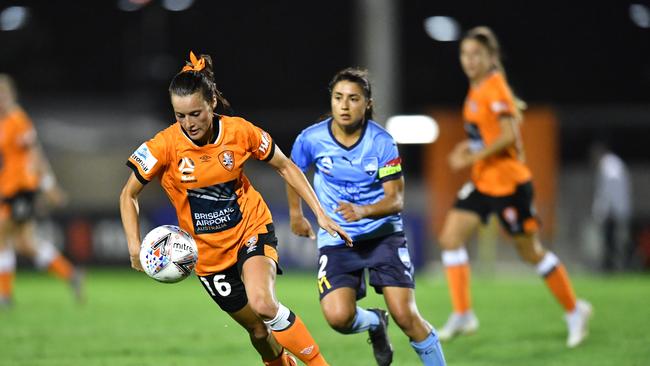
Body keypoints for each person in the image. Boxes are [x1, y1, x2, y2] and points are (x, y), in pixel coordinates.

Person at [120, 52, 351, 366]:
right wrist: (135, 247)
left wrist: (318, 214)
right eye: (180, 116)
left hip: (250, 230)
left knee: (264, 304)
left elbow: (285, 166)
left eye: (195, 113)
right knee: (258, 331)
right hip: (208, 257)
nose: (188, 124)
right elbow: (128, 194)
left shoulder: (240, 132)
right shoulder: (163, 146)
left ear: (212, 103)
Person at [436, 26, 592, 348]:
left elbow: (509, 137)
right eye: (465, 54)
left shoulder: (496, 90)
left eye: (476, 54)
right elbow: (488, 135)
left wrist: (473, 154)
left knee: (531, 253)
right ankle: (463, 313)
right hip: (483, 183)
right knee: (450, 238)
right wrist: (468, 149)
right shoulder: (476, 89)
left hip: (509, 186)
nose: (469, 60)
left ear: (491, 57)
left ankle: (575, 311)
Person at [287, 67, 446, 366]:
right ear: (331, 101)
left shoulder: (382, 142)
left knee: (406, 316)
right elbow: (292, 172)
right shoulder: (311, 139)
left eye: (353, 99)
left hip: (382, 237)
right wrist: (297, 214)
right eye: (338, 98)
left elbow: (396, 199)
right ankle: (374, 322)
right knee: (338, 318)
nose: (345, 106)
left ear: (367, 103)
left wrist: (363, 211)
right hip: (338, 239)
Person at [0, 74, 82, 308]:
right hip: (9, 187)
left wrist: (48, 185)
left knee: (2, 235)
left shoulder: (17, 120)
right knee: (24, 243)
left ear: (11, 95)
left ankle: (4, 296)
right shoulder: (3, 122)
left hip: (22, 187)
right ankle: (71, 274)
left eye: (3, 95)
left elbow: (35, 153)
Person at [590, 141, 632, 271]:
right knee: (613, 241)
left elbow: (608, 189)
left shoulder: (608, 164)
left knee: (611, 242)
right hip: (617, 209)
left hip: (612, 212)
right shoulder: (614, 163)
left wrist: (603, 209)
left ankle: (611, 267)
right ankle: (613, 266)